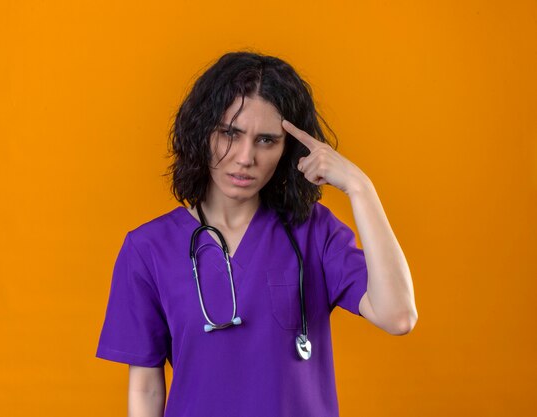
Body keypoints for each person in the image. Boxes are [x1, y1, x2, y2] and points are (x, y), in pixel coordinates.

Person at [96, 50, 418, 417]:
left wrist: (361, 188)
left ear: (287, 150)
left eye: (266, 140)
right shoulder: (148, 249)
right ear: (202, 133)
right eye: (230, 134)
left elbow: (398, 316)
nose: (245, 157)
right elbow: (145, 389)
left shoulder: (313, 232)